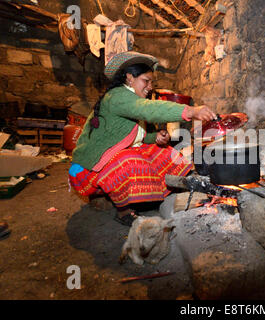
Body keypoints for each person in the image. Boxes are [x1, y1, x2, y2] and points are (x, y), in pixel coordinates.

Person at [69, 51, 216, 226]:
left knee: (164, 152)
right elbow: (148, 109)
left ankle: (186, 185)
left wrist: (155, 138)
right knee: (130, 160)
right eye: (146, 81)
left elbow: (136, 137)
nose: (150, 87)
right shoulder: (117, 96)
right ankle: (124, 212)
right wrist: (190, 111)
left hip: (109, 157)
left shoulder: (130, 98)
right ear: (130, 78)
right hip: (88, 167)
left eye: (151, 82)